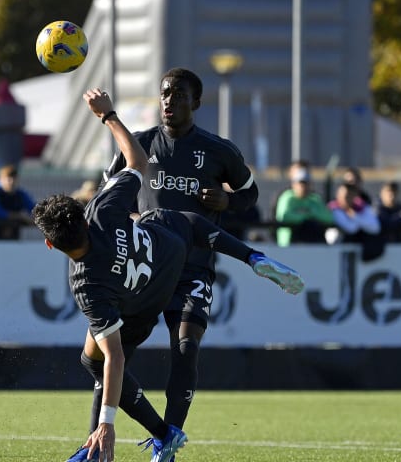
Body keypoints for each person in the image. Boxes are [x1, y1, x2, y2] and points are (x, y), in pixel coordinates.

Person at [35, 89, 304, 462]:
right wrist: (108, 115)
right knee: (177, 225)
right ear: (81, 215)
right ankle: (253, 256)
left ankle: (137, 438)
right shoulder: (100, 210)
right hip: (174, 251)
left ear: (50, 245)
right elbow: (137, 160)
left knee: (97, 360)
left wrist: (109, 422)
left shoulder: (84, 286)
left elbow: (113, 359)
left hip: (140, 300)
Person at [100, 67, 265, 454]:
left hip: (193, 266)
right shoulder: (137, 145)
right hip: (144, 267)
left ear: (197, 102)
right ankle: (95, 439)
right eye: (164, 94)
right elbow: (108, 198)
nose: (169, 101)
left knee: (186, 346)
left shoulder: (219, 150)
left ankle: (167, 441)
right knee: (110, 354)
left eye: (178, 94)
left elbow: (250, 194)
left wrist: (228, 201)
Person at [275, 161, 335, 246]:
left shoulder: (315, 199)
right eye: (300, 183)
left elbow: (329, 218)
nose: (303, 187)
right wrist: (309, 215)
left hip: (313, 245)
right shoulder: (287, 198)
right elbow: (284, 216)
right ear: (294, 183)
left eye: (306, 183)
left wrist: (307, 214)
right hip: (288, 246)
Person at [327, 183, 384, 261]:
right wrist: (358, 219)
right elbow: (351, 228)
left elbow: (375, 228)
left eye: (349, 195)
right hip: (335, 254)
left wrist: (355, 217)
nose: (346, 198)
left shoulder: (362, 207)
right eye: (343, 195)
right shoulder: (333, 209)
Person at [0, 164, 35, 240]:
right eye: (8, 178)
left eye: (14, 178)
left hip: (13, 238)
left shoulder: (20, 194)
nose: (11, 181)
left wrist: (35, 219)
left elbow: (33, 209)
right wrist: (20, 216)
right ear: (1, 179)